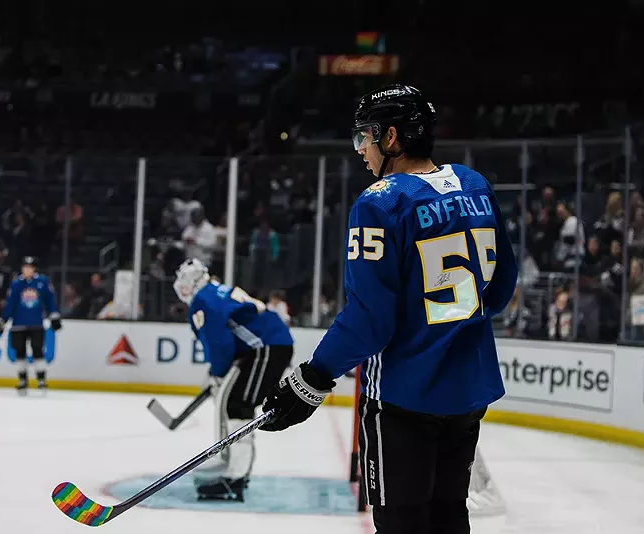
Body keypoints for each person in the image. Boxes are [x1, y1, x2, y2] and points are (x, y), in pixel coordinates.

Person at [260, 84, 518, 534]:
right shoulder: (476, 187)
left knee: (402, 523)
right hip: (468, 390)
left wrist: (313, 378)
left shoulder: (381, 202)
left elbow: (370, 321)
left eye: (364, 136)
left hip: (404, 397)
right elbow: (500, 287)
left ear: (392, 137)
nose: (360, 149)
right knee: (449, 518)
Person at [173, 258, 294, 502]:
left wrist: (217, 372)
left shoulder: (203, 300)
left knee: (238, 406)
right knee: (235, 404)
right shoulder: (214, 291)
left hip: (266, 347)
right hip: (266, 345)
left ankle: (235, 478)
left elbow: (219, 343)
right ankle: (234, 469)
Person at [0, 256, 62, 395]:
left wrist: (54, 316)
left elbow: (50, 300)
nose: (27, 270)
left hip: (36, 324)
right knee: (20, 352)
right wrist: (3, 320)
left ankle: (41, 379)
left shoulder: (42, 282)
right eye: (25, 267)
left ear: (34, 269)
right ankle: (22, 379)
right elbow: (11, 303)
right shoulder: (16, 284)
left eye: (30, 267)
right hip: (18, 324)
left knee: (38, 350)